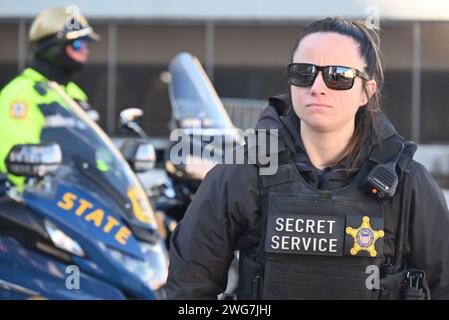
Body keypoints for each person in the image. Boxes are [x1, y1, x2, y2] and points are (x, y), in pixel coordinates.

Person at [166, 17, 449, 300]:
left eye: (338, 75)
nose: (317, 87)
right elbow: (189, 288)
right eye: (304, 72)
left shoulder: (407, 183)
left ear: (366, 91)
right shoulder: (244, 173)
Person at [0, 7, 99, 185]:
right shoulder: (21, 94)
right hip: (45, 202)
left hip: (84, 199)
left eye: (85, 45)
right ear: (53, 47)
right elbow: (16, 163)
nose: (85, 51)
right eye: (78, 45)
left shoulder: (74, 94)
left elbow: (94, 152)